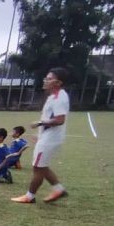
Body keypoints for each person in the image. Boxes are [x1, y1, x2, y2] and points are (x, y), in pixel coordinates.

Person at [13, 68, 70, 204]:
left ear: (59, 82)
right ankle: (58, 189)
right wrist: (40, 134)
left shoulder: (59, 97)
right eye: (46, 78)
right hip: (47, 137)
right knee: (42, 166)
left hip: (50, 139)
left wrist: (39, 123)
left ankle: (29, 196)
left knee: (38, 168)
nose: (46, 81)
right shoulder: (53, 96)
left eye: (50, 79)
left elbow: (59, 119)